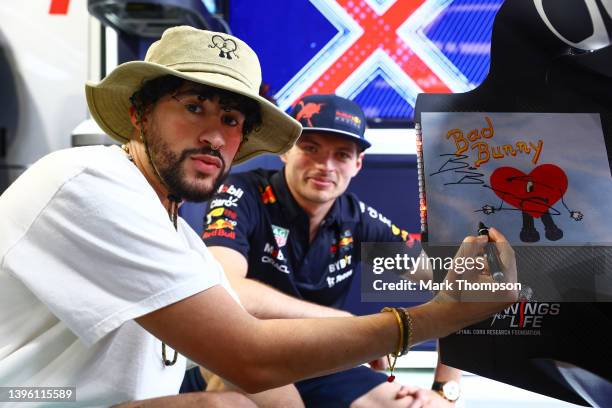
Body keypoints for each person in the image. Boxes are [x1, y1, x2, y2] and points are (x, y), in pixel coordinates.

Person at [0, 25, 517, 407]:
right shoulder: (94, 181)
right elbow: (242, 333)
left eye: (231, 120)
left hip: (278, 362)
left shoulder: (177, 227)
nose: (215, 135)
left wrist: (448, 373)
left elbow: (448, 274)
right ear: (138, 112)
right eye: (194, 107)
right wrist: (421, 319)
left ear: (359, 165)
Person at [188, 94, 461, 407]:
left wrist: (445, 389)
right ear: (285, 150)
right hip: (241, 356)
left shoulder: (357, 218)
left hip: (319, 362)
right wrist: (346, 323)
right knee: (277, 403)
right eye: (310, 148)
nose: (325, 166)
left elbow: (463, 287)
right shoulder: (240, 192)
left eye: (342, 155)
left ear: (357, 164)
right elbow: (228, 289)